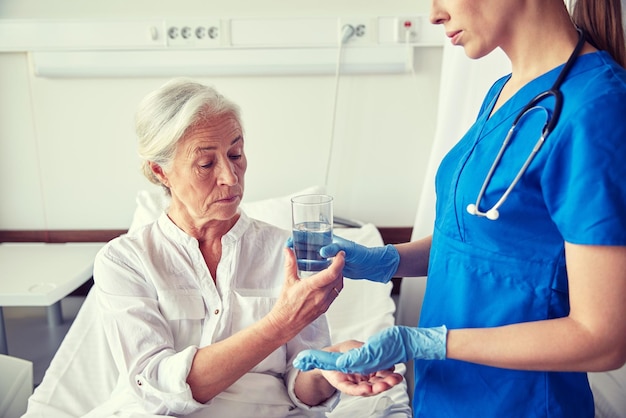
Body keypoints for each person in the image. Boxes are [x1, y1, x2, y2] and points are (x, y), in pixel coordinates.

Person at [293, 0, 626, 417]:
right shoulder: (506, 90)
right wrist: (387, 261)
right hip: (447, 397)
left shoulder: (598, 108)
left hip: (520, 405)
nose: (434, 14)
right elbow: (480, 244)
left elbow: (603, 338)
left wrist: (426, 342)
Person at [88, 78, 402, 417]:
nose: (230, 176)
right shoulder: (125, 261)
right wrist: (281, 322)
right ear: (160, 171)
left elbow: (302, 387)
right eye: (206, 164)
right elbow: (156, 388)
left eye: (235, 154)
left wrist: (331, 365)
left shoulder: (286, 252)